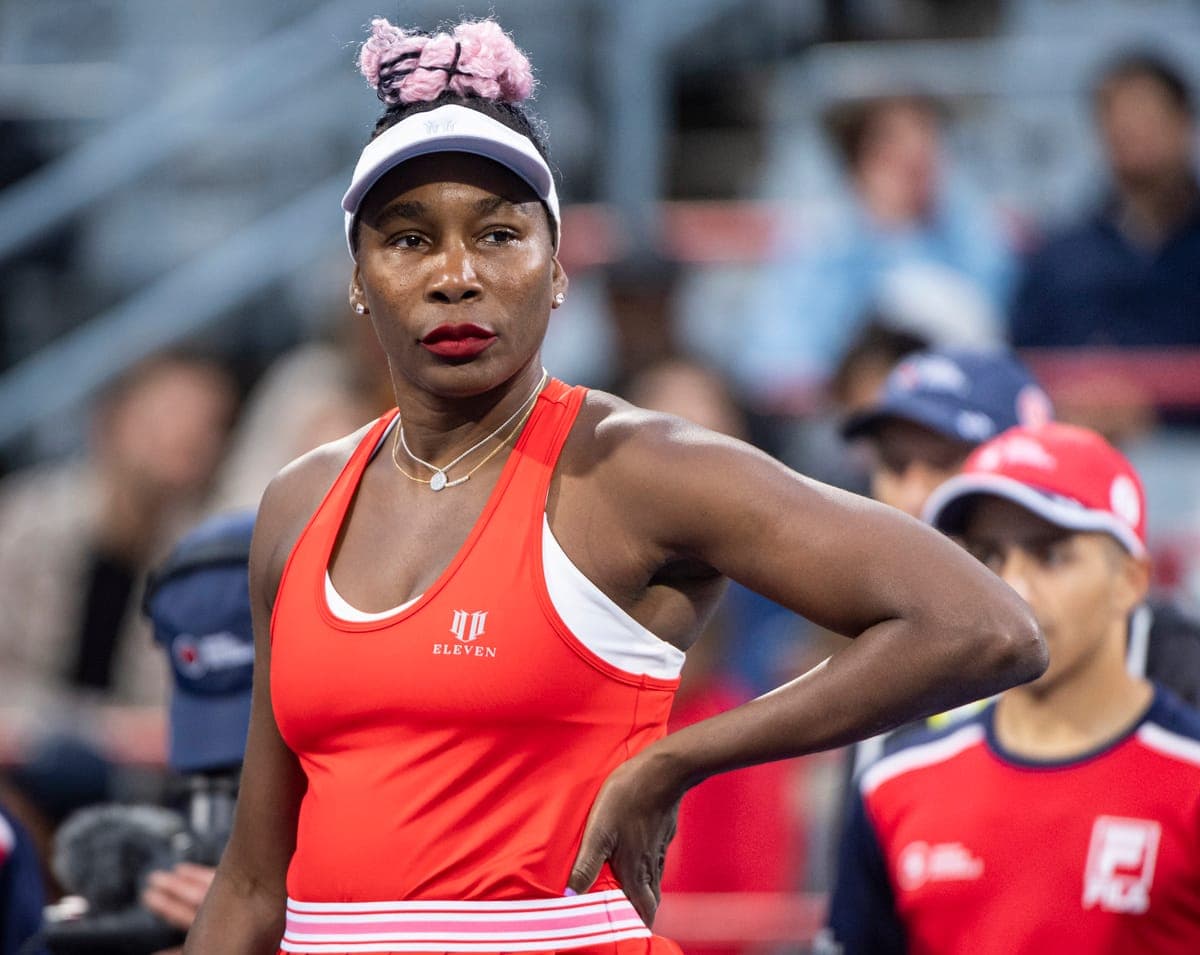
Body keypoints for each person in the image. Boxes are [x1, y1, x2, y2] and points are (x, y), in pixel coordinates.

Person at [183, 18, 1046, 955]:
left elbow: (984, 625)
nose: (456, 275)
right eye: (409, 240)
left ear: (557, 271)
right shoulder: (299, 502)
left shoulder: (633, 468)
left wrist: (679, 758)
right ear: (359, 278)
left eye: (499, 234)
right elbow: (253, 882)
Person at [822, 422, 1200, 954]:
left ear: (1131, 580)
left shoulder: (1190, 780)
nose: (1014, 588)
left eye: (1051, 555)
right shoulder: (892, 786)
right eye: (988, 557)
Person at [733, 93, 1013, 406]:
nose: (915, 151)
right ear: (860, 162)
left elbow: (992, 333)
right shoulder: (820, 245)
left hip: (957, 405)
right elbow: (775, 363)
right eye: (892, 143)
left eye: (926, 137)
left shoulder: (971, 237)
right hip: (842, 412)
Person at [1010, 50, 1200, 352]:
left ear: (1183, 122)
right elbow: (1026, 361)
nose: (1133, 132)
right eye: (1119, 120)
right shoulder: (1060, 262)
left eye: (1147, 116)